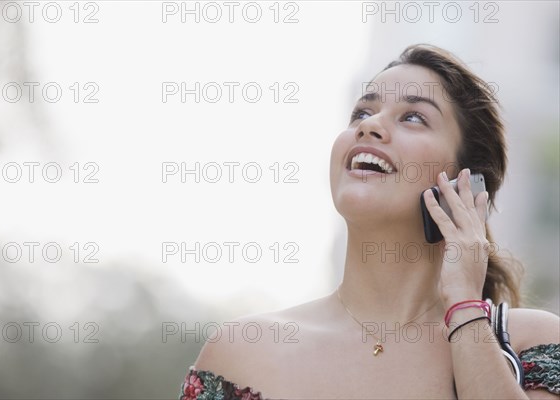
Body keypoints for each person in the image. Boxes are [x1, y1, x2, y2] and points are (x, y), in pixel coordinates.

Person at [178, 44, 560, 399]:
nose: (369, 125)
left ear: (466, 184)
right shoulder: (242, 353)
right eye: (362, 112)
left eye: (413, 117)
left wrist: (465, 311)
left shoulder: (531, 343)